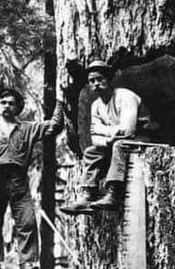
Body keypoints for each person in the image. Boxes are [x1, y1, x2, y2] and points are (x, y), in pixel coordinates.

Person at [0, 87, 63, 269]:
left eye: (11, 103)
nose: (7, 106)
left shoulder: (28, 128)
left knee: (27, 220)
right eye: (3, 103)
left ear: (17, 107)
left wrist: (61, 102)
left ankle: (28, 262)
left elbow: (54, 126)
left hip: (18, 179)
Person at [60, 58, 154, 215]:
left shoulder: (125, 96)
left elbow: (128, 130)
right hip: (114, 142)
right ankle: (89, 195)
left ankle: (113, 193)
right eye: (92, 81)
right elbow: (95, 138)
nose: (96, 84)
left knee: (119, 145)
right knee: (91, 152)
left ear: (108, 79)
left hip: (141, 138)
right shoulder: (96, 106)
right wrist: (110, 135)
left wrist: (103, 130)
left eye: (100, 79)